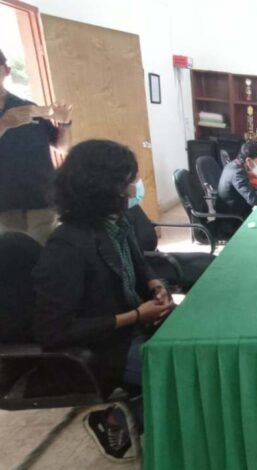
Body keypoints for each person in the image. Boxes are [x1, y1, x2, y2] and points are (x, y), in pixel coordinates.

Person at [32, 140, 174, 462]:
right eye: (128, 180)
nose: (134, 187)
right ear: (104, 187)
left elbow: (139, 264)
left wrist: (154, 284)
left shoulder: (115, 224)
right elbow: (52, 330)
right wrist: (135, 315)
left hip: (139, 324)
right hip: (109, 346)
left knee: (204, 350)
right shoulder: (67, 246)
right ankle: (117, 419)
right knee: (191, 373)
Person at [0, 48, 73, 245]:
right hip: (4, 201)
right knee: (13, 253)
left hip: (41, 197)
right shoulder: (12, 115)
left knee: (48, 249)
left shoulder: (27, 107)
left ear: (6, 70)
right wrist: (4, 124)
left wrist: (65, 123)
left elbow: (62, 148)